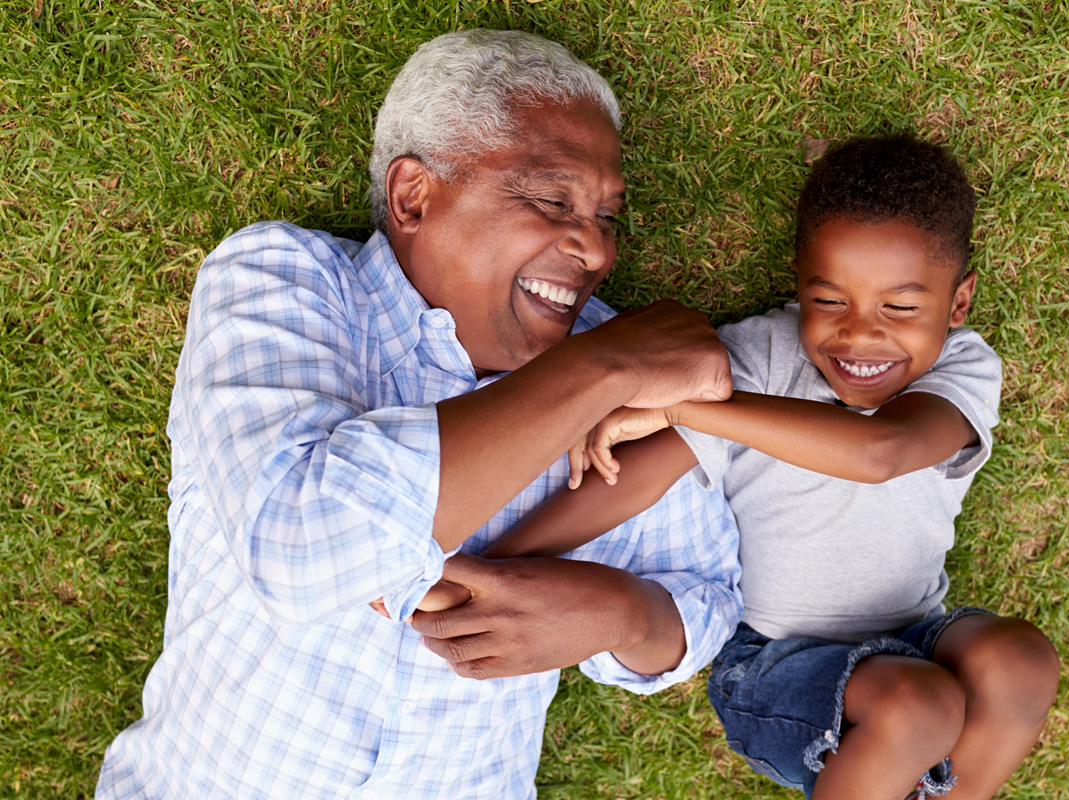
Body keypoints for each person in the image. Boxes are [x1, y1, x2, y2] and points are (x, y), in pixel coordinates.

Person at [95, 29, 742, 799]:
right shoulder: (282, 282)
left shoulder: (624, 368)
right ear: (414, 196)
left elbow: (706, 596)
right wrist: (601, 369)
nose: (596, 251)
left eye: (606, 217)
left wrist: (619, 613)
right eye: (552, 199)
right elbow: (304, 549)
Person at [437, 135, 1062, 800]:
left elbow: (885, 453)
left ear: (957, 303)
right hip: (774, 662)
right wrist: (495, 564)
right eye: (829, 301)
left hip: (918, 629)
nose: (859, 336)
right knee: (920, 704)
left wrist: (688, 407)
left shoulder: (960, 367)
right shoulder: (758, 356)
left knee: (1020, 660)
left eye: (901, 308)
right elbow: (640, 478)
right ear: (800, 282)